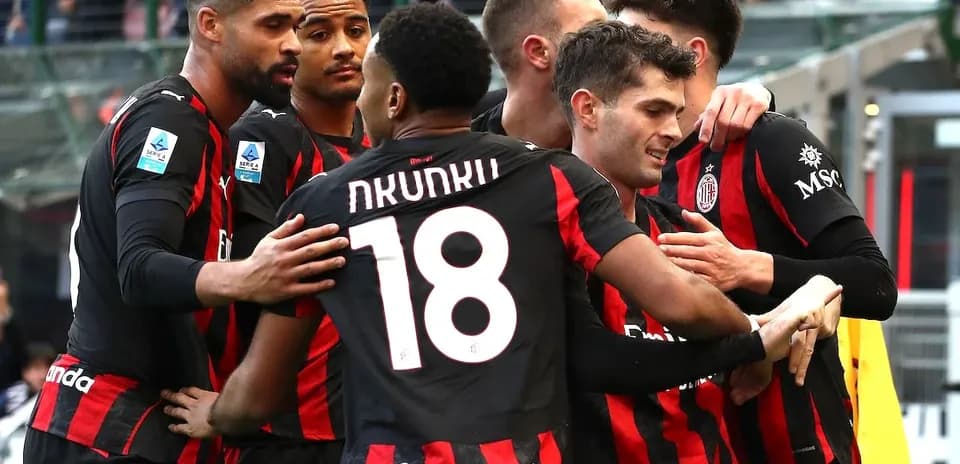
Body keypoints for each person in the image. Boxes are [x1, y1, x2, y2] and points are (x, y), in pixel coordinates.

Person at [197, 6, 840, 462]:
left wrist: (216, 415)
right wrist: (751, 340)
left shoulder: (321, 205)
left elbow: (255, 399)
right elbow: (682, 303)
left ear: (394, 98)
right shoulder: (550, 180)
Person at [23, 1, 348, 463]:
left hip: (148, 428)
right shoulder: (170, 120)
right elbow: (137, 267)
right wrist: (250, 275)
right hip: (107, 431)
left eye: (295, 27)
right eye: (273, 26)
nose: (293, 44)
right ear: (210, 25)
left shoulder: (210, 130)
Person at [609, 1, 897, 462]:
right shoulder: (620, 160)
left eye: (634, 38)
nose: (618, 54)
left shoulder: (773, 142)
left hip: (794, 444)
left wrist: (745, 267)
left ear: (693, 53)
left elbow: (876, 284)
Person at [554, 21, 843, 463]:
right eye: (654, 111)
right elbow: (596, 362)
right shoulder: (544, 236)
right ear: (588, 109)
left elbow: (789, 313)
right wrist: (751, 341)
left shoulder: (690, 234)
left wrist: (822, 290)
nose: (673, 130)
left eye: (676, 111)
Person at [162, 1, 371, 463]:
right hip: (284, 434)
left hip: (375, 426)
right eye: (319, 34)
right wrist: (229, 409)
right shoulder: (263, 138)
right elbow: (258, 284)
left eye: (357, 30)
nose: (345, 49)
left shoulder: (388, 141)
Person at [474, 0, 775, 151]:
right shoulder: (457, 141)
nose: (615, 43)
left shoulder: (624, 134)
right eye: (593, 31)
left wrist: (755, 97)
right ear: (539, 52)